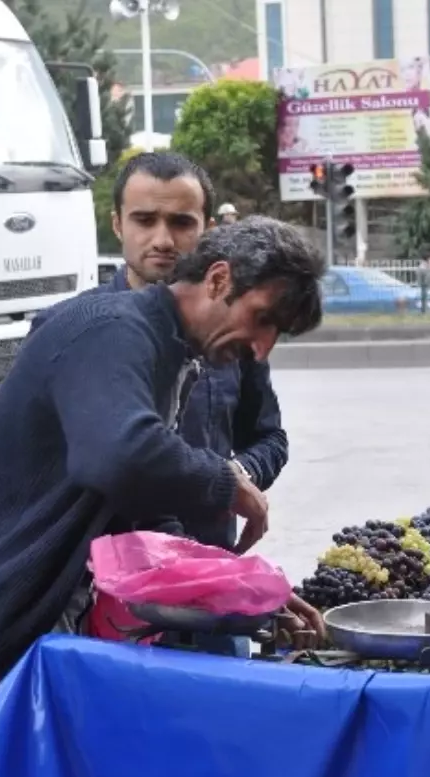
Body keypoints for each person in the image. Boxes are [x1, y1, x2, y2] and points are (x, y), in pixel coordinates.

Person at [0, 215, 327, 724]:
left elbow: (144, 513)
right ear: (218, 279)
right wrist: (227, 482)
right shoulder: (113, 330)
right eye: (262, 318)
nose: (262, 348)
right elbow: (117, 454)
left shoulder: (170, 354)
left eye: (276, 334)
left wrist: (240, 586)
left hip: (33, 616)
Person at [31, 152, 289, 656]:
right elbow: (85, 466)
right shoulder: (73, 329)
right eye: (145, 220)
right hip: (102, 605)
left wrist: (237, 475)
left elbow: (270, 438)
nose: (164, 240)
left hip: (210, 595)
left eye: (181, 222)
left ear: (209, 231)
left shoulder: (229, 337)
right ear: (117, 225)